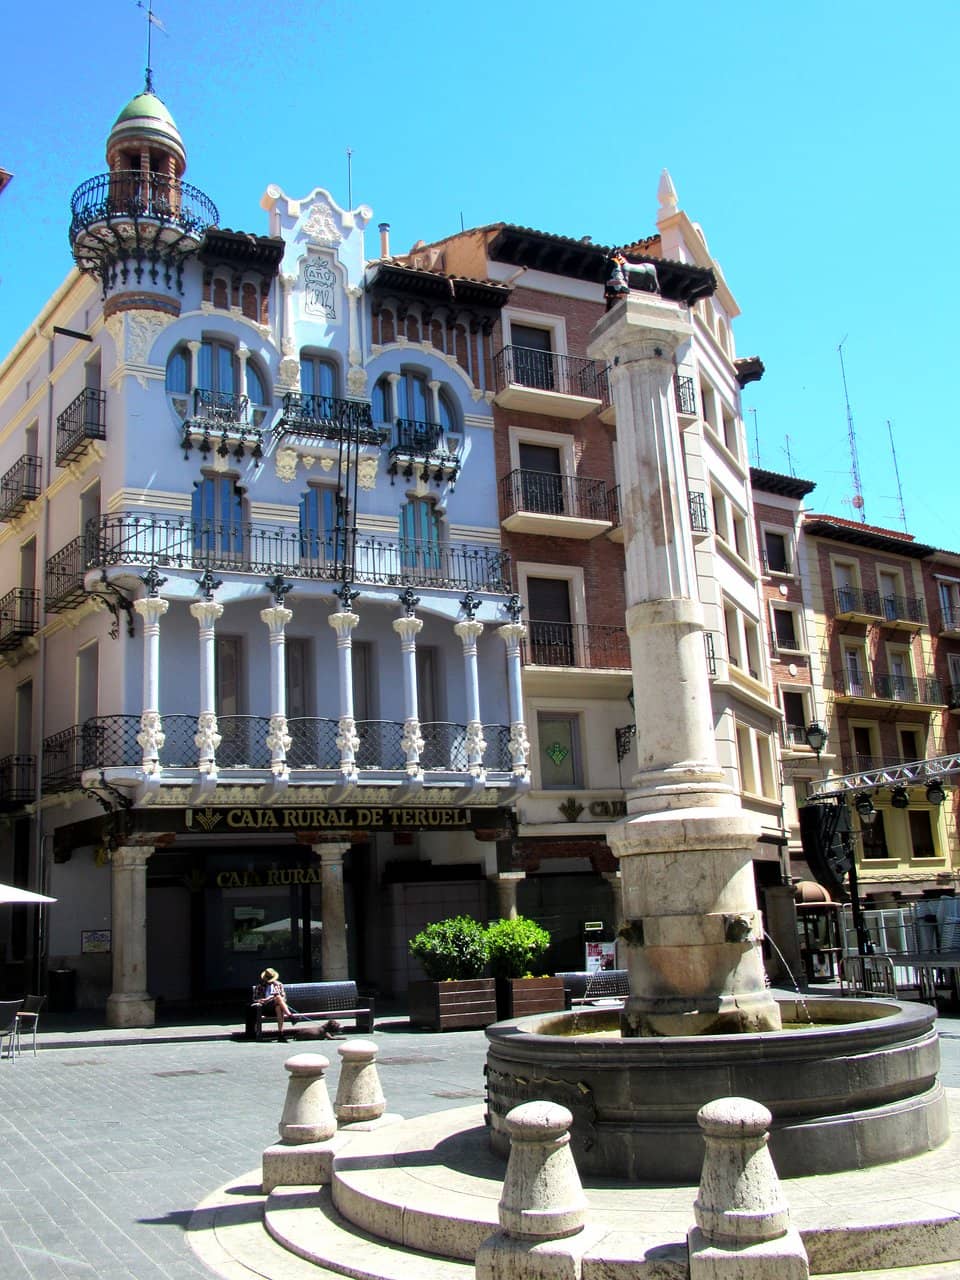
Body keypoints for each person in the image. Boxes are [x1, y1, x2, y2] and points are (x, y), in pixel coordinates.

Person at [253, 967, 294, 1040]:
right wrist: (262, 1000)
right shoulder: (259, 986)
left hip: (277, 1007)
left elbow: (284, 998)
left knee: (278, 1005)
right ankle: (290, 1016)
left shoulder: (279, 985)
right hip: (265, 1008)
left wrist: (272, 997)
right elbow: (255, 999)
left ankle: (280, 1034)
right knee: (278, 998)